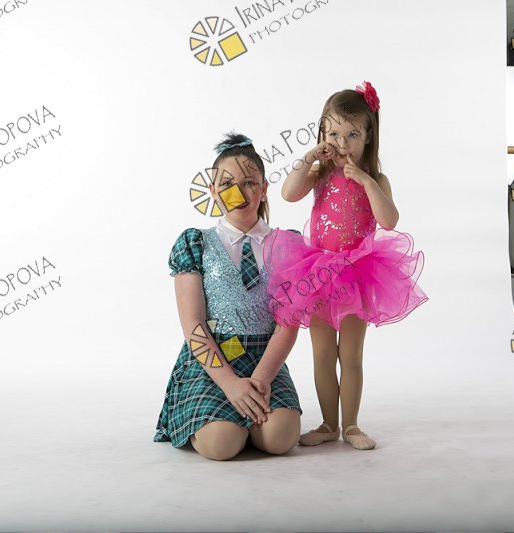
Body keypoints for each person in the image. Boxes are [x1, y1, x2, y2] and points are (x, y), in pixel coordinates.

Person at [262, 81, 427, 450]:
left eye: (352, 134)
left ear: (369, 137)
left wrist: (366, 180)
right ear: (322, 134)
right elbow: (288, 193)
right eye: (333, 133)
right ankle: (328, 424)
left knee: (349, 355)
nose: (342, 142)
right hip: (318, 274)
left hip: (356, 274)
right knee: (322, 354)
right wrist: (309, 159)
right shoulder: (319, 173)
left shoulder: (376, 179)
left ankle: (351, 425)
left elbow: (389, 221)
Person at [154, 133, 302, 461]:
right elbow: (193, 326)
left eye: (249, 183)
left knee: (280, 438)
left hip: (266, 359)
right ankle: (227, 421)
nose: (238, 192)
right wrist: (231, 385)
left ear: (264, 189)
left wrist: (259, 381)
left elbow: (288, 325)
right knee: (221, 443)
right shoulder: (196, 243)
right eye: (226, 183)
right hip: (214, 359)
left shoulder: (287, 245)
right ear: (212, 190)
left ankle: (248, 420)